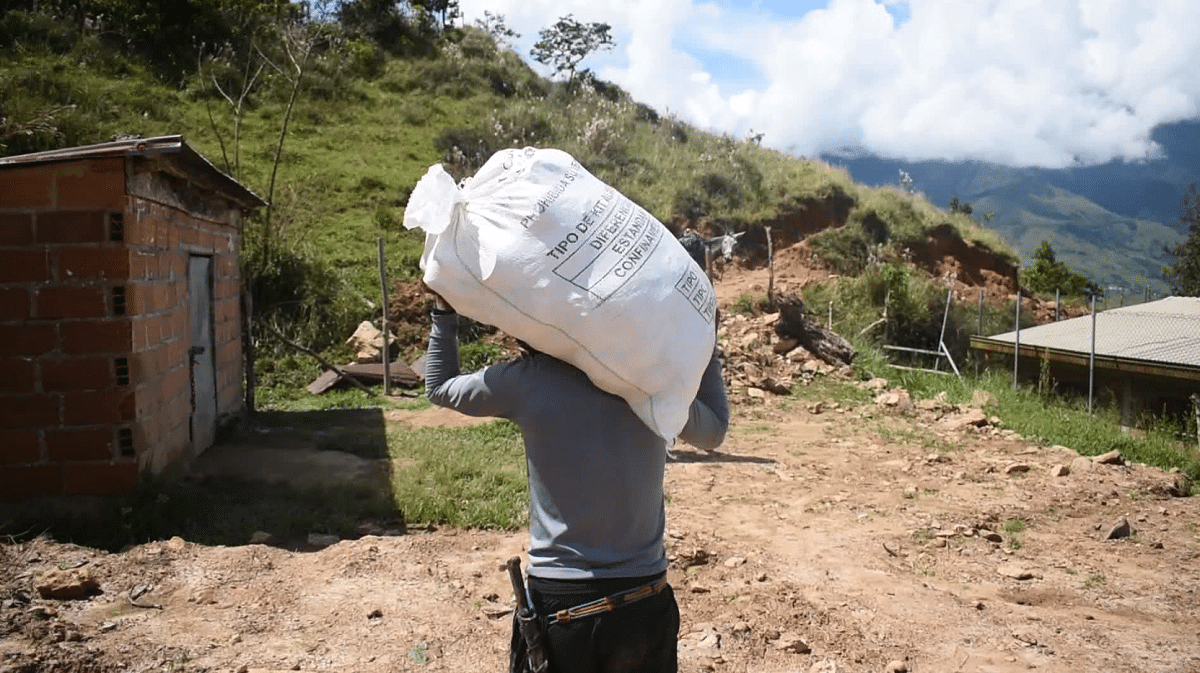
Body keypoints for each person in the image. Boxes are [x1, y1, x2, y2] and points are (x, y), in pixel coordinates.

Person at [423, 288, 729, 673]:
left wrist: (443, 311)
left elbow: (439, 385)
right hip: (644, 598)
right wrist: (707, 343)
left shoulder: (529, 380)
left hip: (563, 605)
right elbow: (713, 432)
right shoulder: (650, 381)